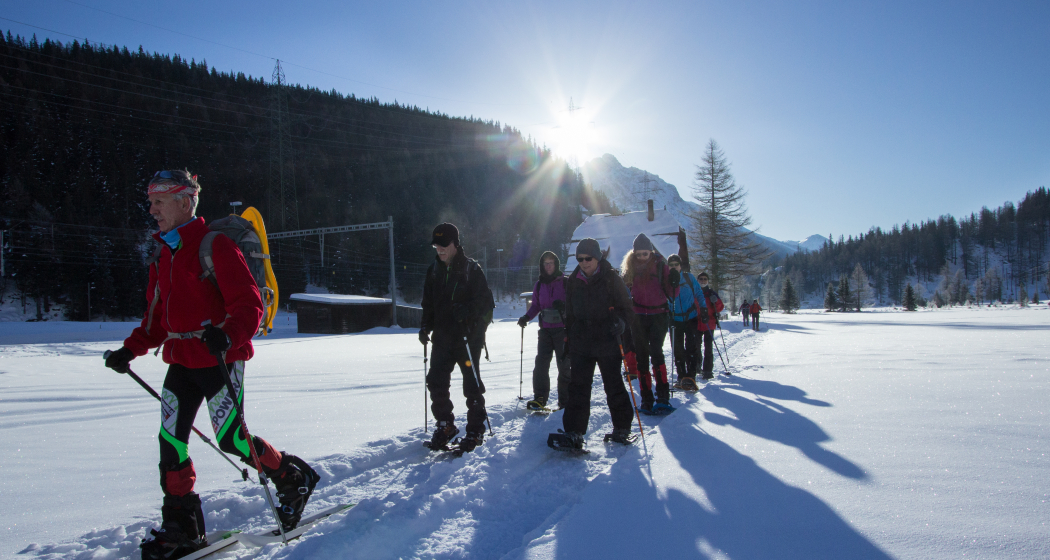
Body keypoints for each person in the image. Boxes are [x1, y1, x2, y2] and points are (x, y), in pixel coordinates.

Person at [104, 170, 318, 560]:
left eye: (160, 202)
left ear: (186, 202)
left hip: (222, 359)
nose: (152, 210)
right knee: (170, 442)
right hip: (181, 361)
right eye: (151, 202)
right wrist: (129, 350)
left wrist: (228, 334)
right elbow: (155, 321)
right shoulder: (163, 255)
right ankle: (181, 528)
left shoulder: (214, 245)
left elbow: (250, 305)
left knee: (233, 439)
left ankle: (291, 477)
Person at [420, 223, 495, 453]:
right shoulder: (433, 271)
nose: (440, 250)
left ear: (455, 244)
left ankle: (475, 429)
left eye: (444, 245)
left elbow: (487, 306)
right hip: (443, 337)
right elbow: (428, 305)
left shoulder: (471, 270)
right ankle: (445, 425)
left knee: (471, 385)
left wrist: (469, 313)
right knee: (435, 381)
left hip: (467, 337)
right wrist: (425, 325)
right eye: (436, 245)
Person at [558, 238, 638, 448]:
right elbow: (570, 313)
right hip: (582, 341)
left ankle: (622, 427)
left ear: (597, 257)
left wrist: (620, 322)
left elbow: (627, 309)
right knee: (578, 387)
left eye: (588, 258)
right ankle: (574, 431)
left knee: (613, 384)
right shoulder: (574, 280)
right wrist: (569, 339)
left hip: (607, 340)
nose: (584, 262)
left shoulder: (611, 278)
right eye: (580, 259)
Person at [620, 234, 678, 413]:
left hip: (659, 315)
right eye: (638, 254)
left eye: (645, 253)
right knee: (641, 356)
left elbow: (672, 294)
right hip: (638, 316)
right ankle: (646, 398)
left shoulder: (662, 266)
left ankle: (662, 396)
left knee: (656, 352)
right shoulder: (630, 267)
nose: (642, 257)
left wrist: (674, 282)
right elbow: (623, 290)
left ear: (651, 251)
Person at [518, 251, 570, 410]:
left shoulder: (566, 283)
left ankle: (565, 401)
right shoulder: (539, 284)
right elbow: (536, 305)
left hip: (563, 330)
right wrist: (526, 317)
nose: (548, 266)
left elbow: (576, 303)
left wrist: (564, 306)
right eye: (545, 263)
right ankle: (540, 398)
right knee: (541, 365)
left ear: (556, 264)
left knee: (564, 365)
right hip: (545, 330)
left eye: (551, 263)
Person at [667, 255, 707, 388]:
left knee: (692, 347)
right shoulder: (665, 280)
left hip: (691, 317)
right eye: (671, 264)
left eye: (676, 264)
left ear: (680, 265)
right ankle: (681, 376)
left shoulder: (689, 278)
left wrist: (704, 309)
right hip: (674, 319)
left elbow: (699, 294)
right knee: (677, 349)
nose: (673, 267)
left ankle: (691, 376)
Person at [696, 271, 725, 379]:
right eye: (701, 279)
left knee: (708, 348)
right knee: (695, 347)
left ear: (707, 281)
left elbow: (720, 308)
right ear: (697, 280)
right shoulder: (694, 292)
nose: (703, 281)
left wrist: (716, 301)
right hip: (697, 323)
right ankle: (697, 366)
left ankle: (707, 370)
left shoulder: (712, 293)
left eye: (705, 279)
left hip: (709, 323)